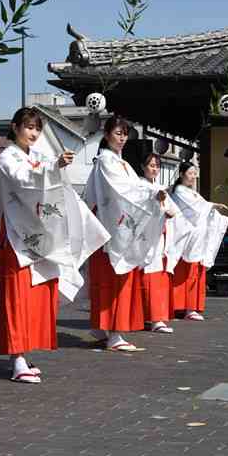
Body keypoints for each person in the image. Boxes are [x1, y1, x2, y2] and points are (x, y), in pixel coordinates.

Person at [0, 107, 109, 383]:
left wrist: (56, 166)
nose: (34, 133)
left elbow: (54, 187)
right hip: (16, 236)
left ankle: (23, 355)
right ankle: (16, 358)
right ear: (15, 128)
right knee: (16, 299)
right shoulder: (7, 157)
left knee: (36, 297)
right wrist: (53, 167)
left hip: (40, 234)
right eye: (28, 127)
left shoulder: (38, 156)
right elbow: (23, 181)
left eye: (37, 128)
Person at [84, 117, 168, 352]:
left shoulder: (122, 163)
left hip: (118, 229)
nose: (121, 138)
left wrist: (153, 192)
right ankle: (113, 334)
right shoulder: (105, 161)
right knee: (113, 282)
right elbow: (124, 191)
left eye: (124, 134)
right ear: (107, 133)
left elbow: (135, 188)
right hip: (111, 232)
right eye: (118, 133)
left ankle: (105, 329)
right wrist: (153, 192)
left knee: (114, 281)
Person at [169, 161, 228, 321]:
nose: (193, 176)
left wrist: (218, 217)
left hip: (197, 238)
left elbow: (203, 208)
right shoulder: (180, 191)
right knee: (187, 272)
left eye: (195, 173)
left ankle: (191, 307)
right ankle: (185, 307)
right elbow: (200, 207)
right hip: (187, 238)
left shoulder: (191, 192)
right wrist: (214, 206)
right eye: (190, 173)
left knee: (195, 272)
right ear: (181, 174)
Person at [139, 153, 180, 334]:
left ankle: (157, 318)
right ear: (143, 167)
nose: (154, 168)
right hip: (143, 239)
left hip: (159, 238)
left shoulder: (160, 187)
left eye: (157, 166)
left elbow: (172, 209)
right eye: (151, 165)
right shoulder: (139, 186)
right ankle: (146, 317)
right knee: (145, 279)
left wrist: (166, 208)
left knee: (157, 279)